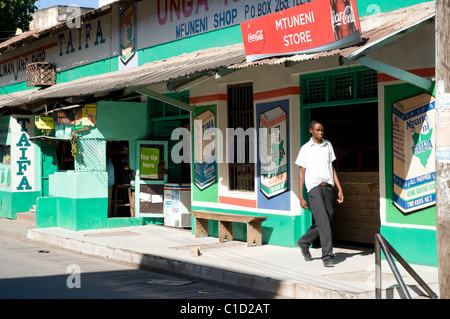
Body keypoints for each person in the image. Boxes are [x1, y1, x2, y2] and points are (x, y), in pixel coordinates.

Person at [295, 120, 344, 267]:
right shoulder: (305, 148)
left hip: (328, 186)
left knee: (326, 218)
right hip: (314, 188)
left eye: (322, 130)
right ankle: (327, 256)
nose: (320, 133)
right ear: (311, 131)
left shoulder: (327, 145)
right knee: (323, 222)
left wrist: (339, 188)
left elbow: (332, 167)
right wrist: (301, 196)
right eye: (317, 130)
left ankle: (304, 241)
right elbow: (301, 173)